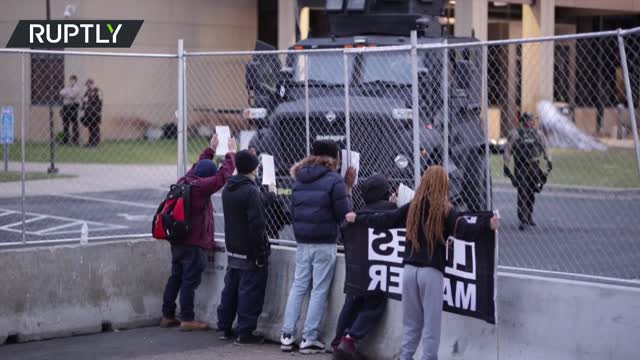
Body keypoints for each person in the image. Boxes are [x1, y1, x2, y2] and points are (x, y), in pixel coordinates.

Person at [345, 166, 500, 360]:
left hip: (409, 271)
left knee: (411, 325)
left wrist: (358, 217)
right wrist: (487, 224)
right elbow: (465, 231)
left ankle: (405, 357)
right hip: (431, 273)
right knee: (431, 326)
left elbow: (385, 219)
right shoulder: (445, 211)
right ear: (444, 185)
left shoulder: (413, 207)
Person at [280, 140, 357, 354]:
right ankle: (309, 337)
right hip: (324, 241)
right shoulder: (334, 180)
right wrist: (348, 188)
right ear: (334, 158)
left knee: (299, 286)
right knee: (319, 289)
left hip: (303, 240)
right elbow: (345, 213)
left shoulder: (299, 178)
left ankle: (287, 335)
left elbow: (293, 211)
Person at [160, 134, 236, 331]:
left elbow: (198, 166)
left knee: (175, 276)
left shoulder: (186, 180)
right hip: (193, 243)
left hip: (177, 240)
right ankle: (187, 318)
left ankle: (167, 314)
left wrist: (210, 150)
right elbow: (222, 176)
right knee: (189, 280)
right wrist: (231, 154)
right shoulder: (202, 188)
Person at [332, 174, 396, 359]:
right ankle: (350, 340)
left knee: (351, 303)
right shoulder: (390, 211)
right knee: (375, 305)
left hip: (355, 270)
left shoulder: (356, 216)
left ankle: (338, 341)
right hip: (377, 271)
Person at [217, 150, 271, 345]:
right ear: (253, 168)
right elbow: (257, 225)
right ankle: (245, 332)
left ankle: (224, 326)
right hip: (250, 249)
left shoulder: (228, 189)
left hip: (233, 246)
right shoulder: (251, 191)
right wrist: (261, 252)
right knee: (250, 291)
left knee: (230, 289)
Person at [503, 112, 552, 231]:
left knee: (531, 192)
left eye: (533, 120)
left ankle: (529, 216)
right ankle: (523, 218)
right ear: (524, 121)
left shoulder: (538, 134)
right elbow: (508, 148)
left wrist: (548, 160)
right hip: (521, 167)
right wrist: (506, 162)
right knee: (522, 192)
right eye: (530, 120)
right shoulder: (516, 133)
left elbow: (545, 146)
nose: (533, 122)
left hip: (534, 167)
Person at [59, 74, 82, 145]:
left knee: (74, 124)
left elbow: (73, 95)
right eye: (70, 80)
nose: (71, 81)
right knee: (66, 124)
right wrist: (68, 94)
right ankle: (65, 140)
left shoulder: (77, 88)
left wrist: (66, 94)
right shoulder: (67, 87)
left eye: (72, 80)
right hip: (66, 107)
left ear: (75, 81)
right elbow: (61, 92)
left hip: (73, 107)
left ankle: (75, 141)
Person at [81, 79, 103, 147]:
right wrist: (83, 106)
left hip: (95, 112)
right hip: (88, 113)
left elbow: (99, 101)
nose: (88, 86)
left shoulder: (97, 91)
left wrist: (88, 99)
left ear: (92, 84)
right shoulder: (87, 92)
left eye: (89, 84)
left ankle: (95, 143)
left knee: (95, 128)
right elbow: (84, 102)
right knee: (90, 128)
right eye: (87, 85)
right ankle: (90, 142)